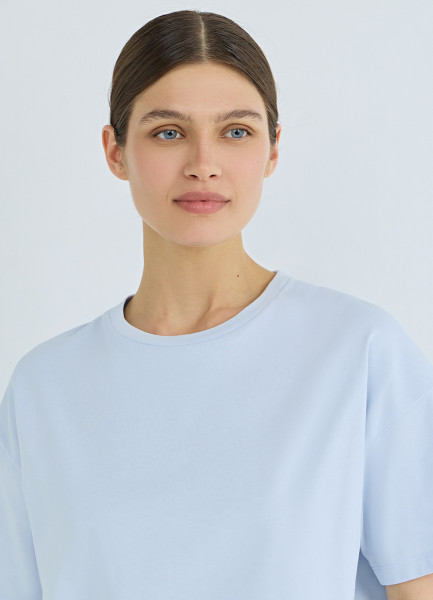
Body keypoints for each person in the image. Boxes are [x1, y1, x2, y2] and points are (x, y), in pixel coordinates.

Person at [1, 10, 432, 600]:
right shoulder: (44, 389)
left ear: (273, 149)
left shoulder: (357, 353)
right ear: (115, 150)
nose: (203, 163)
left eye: (235, 132)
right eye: (168, 132)